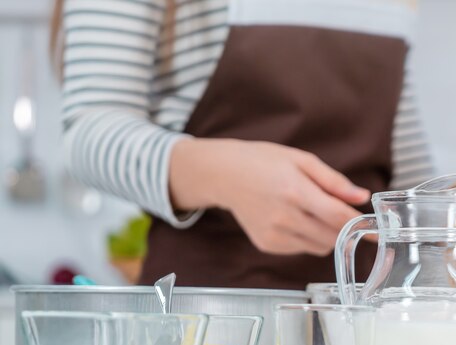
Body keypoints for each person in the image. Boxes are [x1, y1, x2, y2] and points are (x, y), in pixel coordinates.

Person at [53, 0, 433, 289]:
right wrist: (226, 176)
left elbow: (408, 178)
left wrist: (445, 288)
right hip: (206, 333)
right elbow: (88, 133)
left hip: (360, 331)